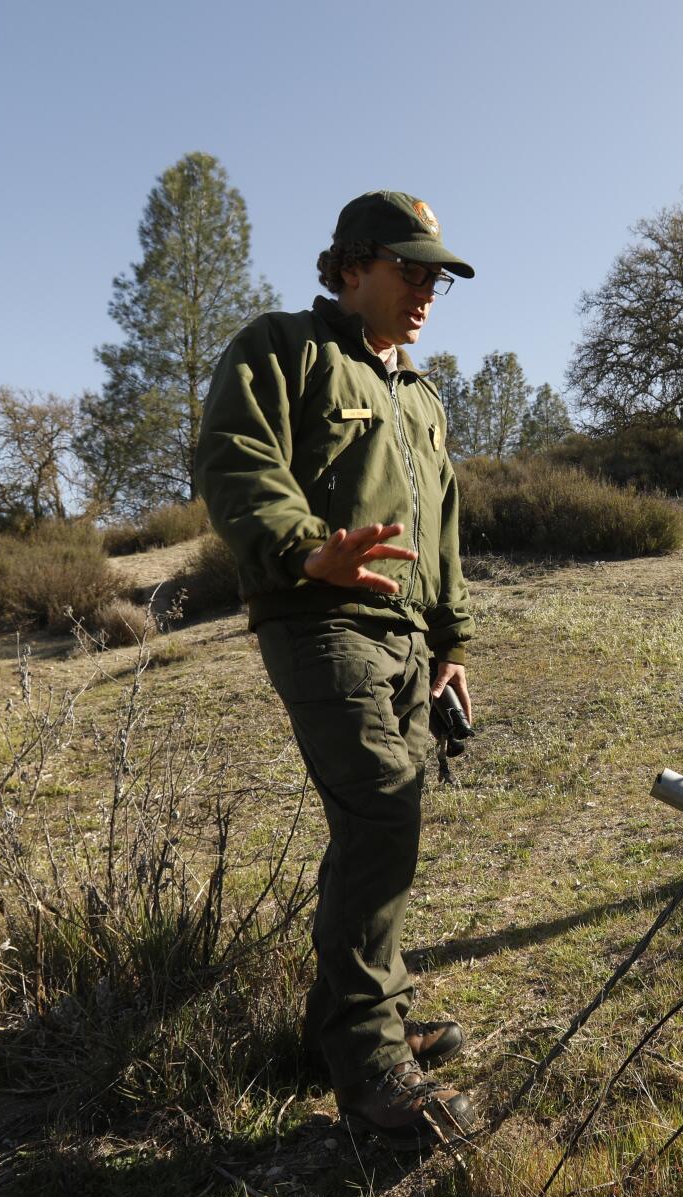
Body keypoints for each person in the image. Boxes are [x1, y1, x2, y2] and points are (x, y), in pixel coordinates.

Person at [193, 190, 477, 1147]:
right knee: (381, 811)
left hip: (405, 642)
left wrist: (451, 645)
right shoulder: (282, 350)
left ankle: (364, 1015)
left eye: (437, 274)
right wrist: (307, 547)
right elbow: (234, 460)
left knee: (386, 823)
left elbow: (440, 533)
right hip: (320, 620)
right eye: (411, 268)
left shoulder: (422, 397)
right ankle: (370, 1070)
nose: (428, 290)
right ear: (353, 267)